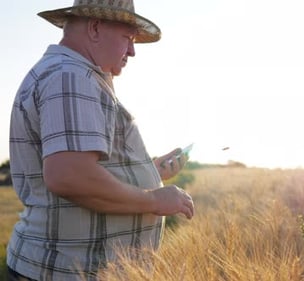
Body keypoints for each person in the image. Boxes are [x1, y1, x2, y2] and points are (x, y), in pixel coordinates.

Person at [7, 1, 195, 280]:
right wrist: (154, 199)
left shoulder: (72, 75)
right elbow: (69, 176)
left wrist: (150, 173)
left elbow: (79, 169)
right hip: (68, 273)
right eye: (128, 38)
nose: (132, 51)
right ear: (95, 28)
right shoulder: (70, 77)